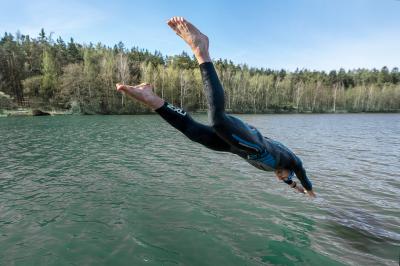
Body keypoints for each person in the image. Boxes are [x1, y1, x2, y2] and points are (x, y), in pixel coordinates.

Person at [116, 17, 316, 197]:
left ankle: (151, 98)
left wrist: (295, 188)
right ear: (290, 171)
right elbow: (301, 171)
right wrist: (308, 188)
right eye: (286, 177)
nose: (281, 178)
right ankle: (201, 50)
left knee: (193, 132)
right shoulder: (291, 161)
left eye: (282, 179)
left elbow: (289, 179)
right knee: (217, 120)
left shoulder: (282, 172)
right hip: (253, 143)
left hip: (232, 147)